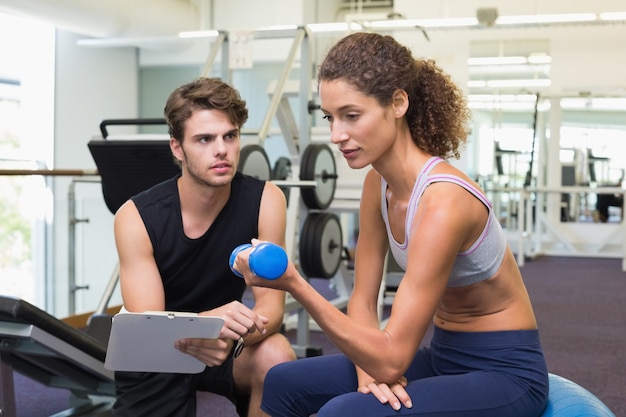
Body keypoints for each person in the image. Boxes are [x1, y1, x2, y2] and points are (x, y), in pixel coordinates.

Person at [233, 32, 549, 417]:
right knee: (284, 380)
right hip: (443, 357)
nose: (336, 135)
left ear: (398, 103)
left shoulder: (444, 203)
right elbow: (364, 300)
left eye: (352, 116)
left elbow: (394, 357)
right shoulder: (376, 183)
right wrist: (370, 373)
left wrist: (296, 284)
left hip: (505, 373)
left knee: (345, 413)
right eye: (330, 118)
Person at [112, 77, 296, 417]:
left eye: (230, 135)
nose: (221, 149)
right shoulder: (135, 217)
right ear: (177, 148)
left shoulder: (266, 201)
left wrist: (224, 340)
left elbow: (272, 310)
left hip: (225, 347)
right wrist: (204, 327)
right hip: (159, 353)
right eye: (204, 139)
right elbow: (150, 329)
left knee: (277, 356)